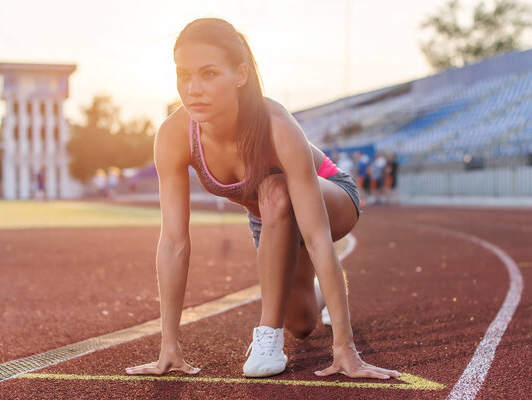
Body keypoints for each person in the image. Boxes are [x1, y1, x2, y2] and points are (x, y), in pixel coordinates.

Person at [125, 18, 400, 380]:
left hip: (330, 195)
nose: (193, 89)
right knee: (301, 323)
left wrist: (345, 350)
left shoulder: (277, 126)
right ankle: (321, 297)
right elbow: (174, 242)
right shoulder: (174, 135)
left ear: (240, 75)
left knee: (274, 189)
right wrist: (169, 346)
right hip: (272, 216)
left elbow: (317, 238)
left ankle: (267, 338)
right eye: (184, 75)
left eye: (209, 74)